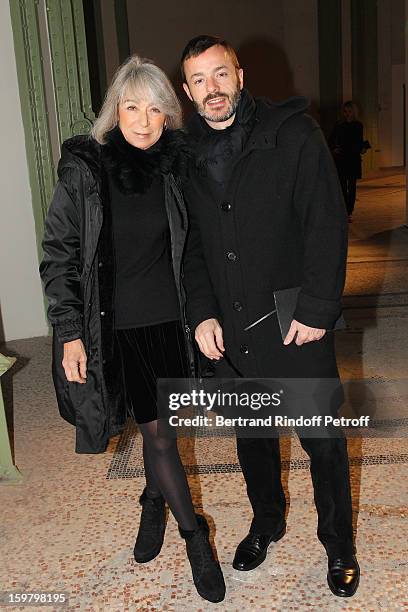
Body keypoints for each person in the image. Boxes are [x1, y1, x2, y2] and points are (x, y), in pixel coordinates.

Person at [39, 54, 225, 604]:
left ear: (168, 114)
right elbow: (59, 254)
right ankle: (197, 539)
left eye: (153, 109)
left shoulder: (176, 168)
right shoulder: (85, 170)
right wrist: (69, 330)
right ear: (113, 111)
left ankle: (151, 502)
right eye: (130, 107)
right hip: (119, 329)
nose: (142, 121)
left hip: (171, 324)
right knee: (161, 435)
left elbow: (195, 244)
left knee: (159, 432)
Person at [180, 35, 360, 598]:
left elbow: (326, 223)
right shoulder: (185, 157)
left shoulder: (293, 134)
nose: (212, 89)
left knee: (323, 440)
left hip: (293, 320)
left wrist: (317, 308)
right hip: (233, 327)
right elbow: (190, 248)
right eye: (199, 80)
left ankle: (339, 545)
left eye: (220, 74)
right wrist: (202, 313)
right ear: (187, 92)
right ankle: (267, 522)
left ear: (240, 73)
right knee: (252, 436)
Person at [329, 101, 366, 222]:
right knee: (342, 186)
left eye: (349, 111)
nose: (347, 114)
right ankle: (345, 210)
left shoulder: (358, 125)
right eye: (345, 111)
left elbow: (359, 142)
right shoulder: (339, 125)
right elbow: (331, 140)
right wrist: (334, 149)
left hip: (353, 159)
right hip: (341, 159)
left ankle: (349, 211)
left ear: (354, 112)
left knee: (352, 186)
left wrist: (362, 148)